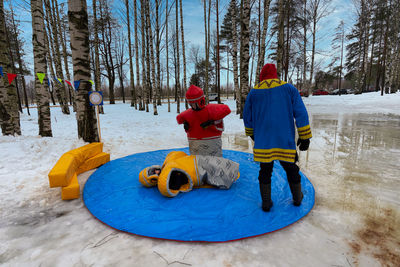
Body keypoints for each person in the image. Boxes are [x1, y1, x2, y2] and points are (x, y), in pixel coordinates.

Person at [243, 63, 312, 212]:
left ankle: (266, 203)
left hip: (264, 140)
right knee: (291, 168)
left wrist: (252, 133)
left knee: (265, 170)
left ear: (262, 75)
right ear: (275, 74)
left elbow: (246, 116)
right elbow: (301, 113)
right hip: (284, 139)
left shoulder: (254, 92)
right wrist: (305, 136)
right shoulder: (289, 89)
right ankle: (298, 198)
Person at [176, 85, 231, 157]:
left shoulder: (211, 110)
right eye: (191, 104)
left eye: (194, 104)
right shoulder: (188, 114)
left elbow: (226, 109)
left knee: (213, 163)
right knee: (197, 163)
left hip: (212, 144)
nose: (192, 106)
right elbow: (179, 119)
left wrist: (212, 122)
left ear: (201, 101)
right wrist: (186, 125)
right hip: (195, 145)